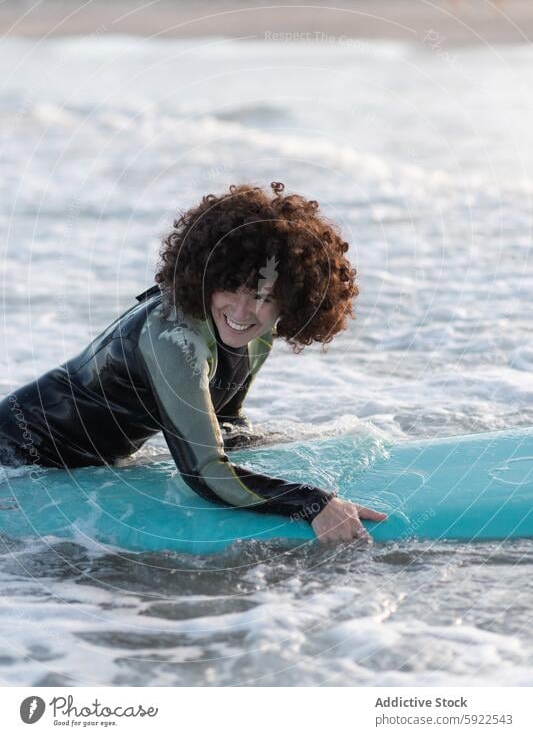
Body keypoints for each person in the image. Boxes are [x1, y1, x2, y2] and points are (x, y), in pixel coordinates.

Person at [0, 181, 387, 543]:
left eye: (263, 297)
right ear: (206, 275)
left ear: (292, 300)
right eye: (231, 287)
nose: (241, 310)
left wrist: (309, 450)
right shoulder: (173, 340)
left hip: (80, 468)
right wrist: (311, 503)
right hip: (15, 460)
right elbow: (202, 472)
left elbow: (226, 424)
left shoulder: (257, 335)